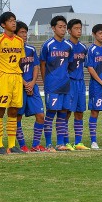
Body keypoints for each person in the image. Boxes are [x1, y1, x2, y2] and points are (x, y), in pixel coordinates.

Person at [0, 12, 25, 154]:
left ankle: (11, 145)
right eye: (10, 21)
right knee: (0, 110)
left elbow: (20, 60)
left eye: (14, 20)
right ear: (3, 24)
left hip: (16, 77)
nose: (13, 23)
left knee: (14, 111)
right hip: (2, 78)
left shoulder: (19, 41)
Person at [40, 15, 74, 152]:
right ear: (53, 28)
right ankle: (48, 144)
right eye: (60, 27)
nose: (63, 29)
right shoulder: (47, 45)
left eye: (64, 27)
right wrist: (46, 81)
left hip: (65, 84)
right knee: (50, 114)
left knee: (63, 114)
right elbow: (42, 64)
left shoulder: (68, 46)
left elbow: (69, 64)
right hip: (52, 85)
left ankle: (60, 143)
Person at [15, 21, 46, 153]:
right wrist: (24, 83)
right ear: (16, 34)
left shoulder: (31, 49)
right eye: (22, 32)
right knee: (17, 117)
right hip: (18, 86)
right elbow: (13, 68)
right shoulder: (14, 51)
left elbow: (36, 66)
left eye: (26, 32)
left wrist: (32, 82)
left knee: (40, 115)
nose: (25, 35)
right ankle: (22, 145)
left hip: (32, 86)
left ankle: (35, 145)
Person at [65, 19, 89, 150]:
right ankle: (66, 141)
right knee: (67, 112)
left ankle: (78, 142)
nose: (79, 30)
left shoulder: (84, 48)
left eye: (80, 28)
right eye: (76, 28)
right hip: (69, 83)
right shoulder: (66, 46)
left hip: (80, 83)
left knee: (79, 112)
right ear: (69, 30)